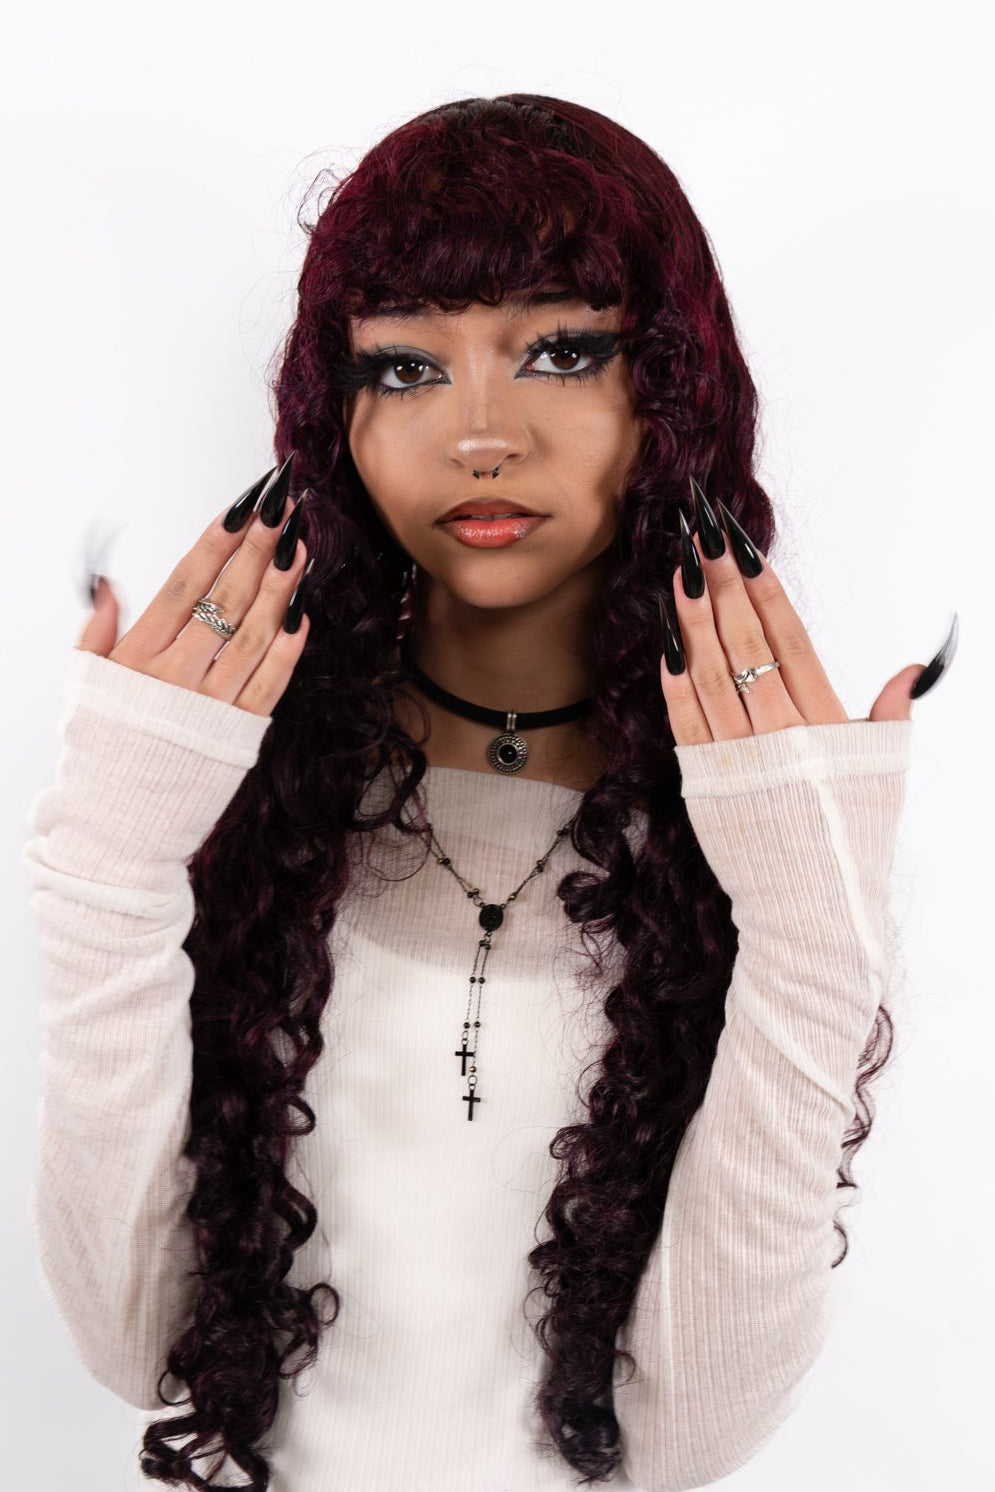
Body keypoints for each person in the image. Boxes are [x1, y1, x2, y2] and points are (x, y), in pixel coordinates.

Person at [24, 94, 956, 1492]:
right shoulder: (242, 787)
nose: (476, 434)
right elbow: (137, 1344)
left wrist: (816, 928)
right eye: (403, 367)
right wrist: (108, 860)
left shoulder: (747, 834)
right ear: (332, 413)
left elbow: (686, 1436)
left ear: (675, 389)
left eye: (563, 349)